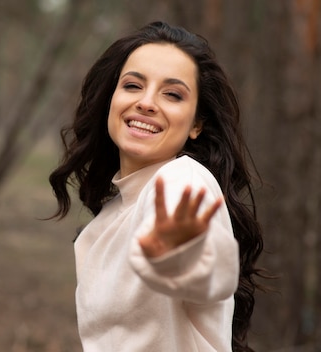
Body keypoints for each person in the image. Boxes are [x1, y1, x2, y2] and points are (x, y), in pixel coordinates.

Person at [48, 21, 264, 352]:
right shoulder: (101, 225)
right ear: (111, 99)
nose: (147, 102)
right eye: (133, 86)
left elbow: (206, 267)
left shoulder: (182, 180)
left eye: (173, 94)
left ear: (196, 124)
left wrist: (182, 253)